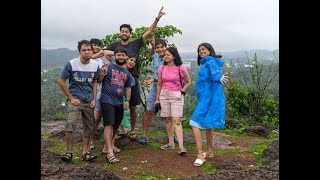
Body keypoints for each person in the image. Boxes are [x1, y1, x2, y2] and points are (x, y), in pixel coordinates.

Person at [105, 6, 166, 141]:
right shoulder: (114, 45)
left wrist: (157, 18)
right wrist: (120, 55)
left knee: (132, 106)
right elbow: (104, 52)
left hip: (133, 78)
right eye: (122, 31)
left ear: (130, 33)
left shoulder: (135, 44)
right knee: (115, 104)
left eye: (126, 31)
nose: (124, 33)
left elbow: (150, 31)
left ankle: (132, 130)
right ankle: (119, 129)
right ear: (120, 33)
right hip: (117, 80)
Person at [58, 40, 100, 162]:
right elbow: (61, 81)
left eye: (89, 50)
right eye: (84, 50)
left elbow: (95, 81)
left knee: (89, 127)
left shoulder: (95, 65)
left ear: (92, 51)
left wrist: (94, 98)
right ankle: (69, 152)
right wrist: (71, 98)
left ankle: (85, 153)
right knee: (70, 124)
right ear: (79, 51)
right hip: (75, 100)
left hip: (89, 101)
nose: (87, 52)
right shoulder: (71, 64)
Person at [190, 43, 228, 167]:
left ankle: (200, 153)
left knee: (194, 123)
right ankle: (210, 151)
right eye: (199, 50)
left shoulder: (210, 62)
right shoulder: (208, 62)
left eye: (203, 49)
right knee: (208, 125)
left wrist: (219, 78)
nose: (201, 52)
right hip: (205, 97)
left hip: (208, 98)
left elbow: (215, 74)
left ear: (210, 50)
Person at [98, 47, 133, 164]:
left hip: (119, 102)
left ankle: (106, 147)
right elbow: (98, 80)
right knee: (109, 124)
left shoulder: (126, 73)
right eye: (119, 55)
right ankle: (109, 153)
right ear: (115, 56)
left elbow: (128, 87)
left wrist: (127, 100)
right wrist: (102, 74)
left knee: (115, 126)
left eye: (123, 55)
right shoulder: (108, 67)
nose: (121, 57)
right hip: (107, 101)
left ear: (126, 57)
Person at [155, 47, 191, 155]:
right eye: (165, 54)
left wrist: (182, 91)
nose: (166, 56)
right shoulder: (162, 68)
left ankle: (181, 146)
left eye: (168, 55)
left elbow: (188, 82)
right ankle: (171, 143)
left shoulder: (181, 68)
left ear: (174, 56)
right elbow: (160, 84)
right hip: (164, 94)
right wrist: (157, 99)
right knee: (167, 119)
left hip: (176, 95)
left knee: (176, 120)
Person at [137, 37, 166, 144]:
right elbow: (152, 53)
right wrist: (153, 45)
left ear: (166, 47)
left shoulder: (170, 59)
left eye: (162, 47)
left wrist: (154, 79)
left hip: (166, 89)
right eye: (158, 47)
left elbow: (167, 77)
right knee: (149, 111)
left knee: (168, 114)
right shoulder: (157, 57)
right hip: (154, 88)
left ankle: (172, 135)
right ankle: (144, 135)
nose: (160, 49)